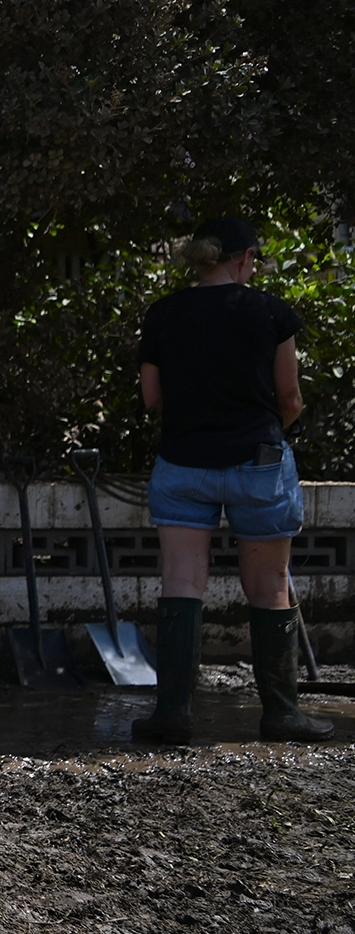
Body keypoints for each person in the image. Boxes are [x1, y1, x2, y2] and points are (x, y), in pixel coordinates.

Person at [133, 216, 332, 744]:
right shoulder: (270, 312)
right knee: (268, 588)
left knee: (181, 583)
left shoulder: (164, 314)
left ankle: (172, 714)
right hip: (259, 463)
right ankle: (282, 714)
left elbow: (153, 398)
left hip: (183, 462)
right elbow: (290, 399)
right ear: (243, 259)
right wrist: (262, 429)